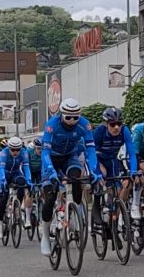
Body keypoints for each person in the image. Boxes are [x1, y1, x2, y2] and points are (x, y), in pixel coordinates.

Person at [39, 98, 100, 256]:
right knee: (50, 197)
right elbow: (45, 152)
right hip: (51, 159)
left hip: (69, 157)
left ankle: (75, 214)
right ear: (61, 115)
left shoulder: (84, 124)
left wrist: (93, 169)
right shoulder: (52, 125)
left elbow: (91, 149)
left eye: (76, 117)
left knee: (76, 179)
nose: (72, 121)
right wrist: (51, 171)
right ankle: (45, 237)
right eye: (68, 117)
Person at [92, 107, 138, 225]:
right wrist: (97, 170)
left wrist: (133, 171)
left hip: (112, 159)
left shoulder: (125, 131)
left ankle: (112, 220)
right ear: (106, 124)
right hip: (98, 158)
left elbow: (132, 153)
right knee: (101, 177)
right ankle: (96, 207)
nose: (116, 127)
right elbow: (91, 154)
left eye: (119, 124)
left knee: (116, 187)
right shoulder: (99, 131)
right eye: (112, 124)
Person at [0, 137, 32, 238]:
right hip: (4, 174)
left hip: (16, 173)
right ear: (9, 148)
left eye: (17, 150)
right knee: (4, 197)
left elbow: (26, 167)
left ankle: (17, 207)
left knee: (22, 183)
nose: (15, 152)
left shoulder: (24, 153)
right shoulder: (4, 153)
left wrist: (29, 180)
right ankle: (0, 223)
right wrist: (3, 180)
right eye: (13, 150)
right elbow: (1, 168)